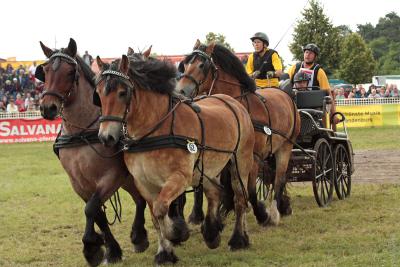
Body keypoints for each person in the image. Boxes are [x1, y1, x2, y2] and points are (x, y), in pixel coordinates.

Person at [288, 43, 338, 126]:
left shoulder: (319, 71)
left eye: (311, 53)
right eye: (306, 52)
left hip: (314, 107)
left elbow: (328, 93)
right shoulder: (294, 68)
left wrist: (334, 114)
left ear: (315, 56)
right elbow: (285, 83)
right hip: (294, 104)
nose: (308, 55)